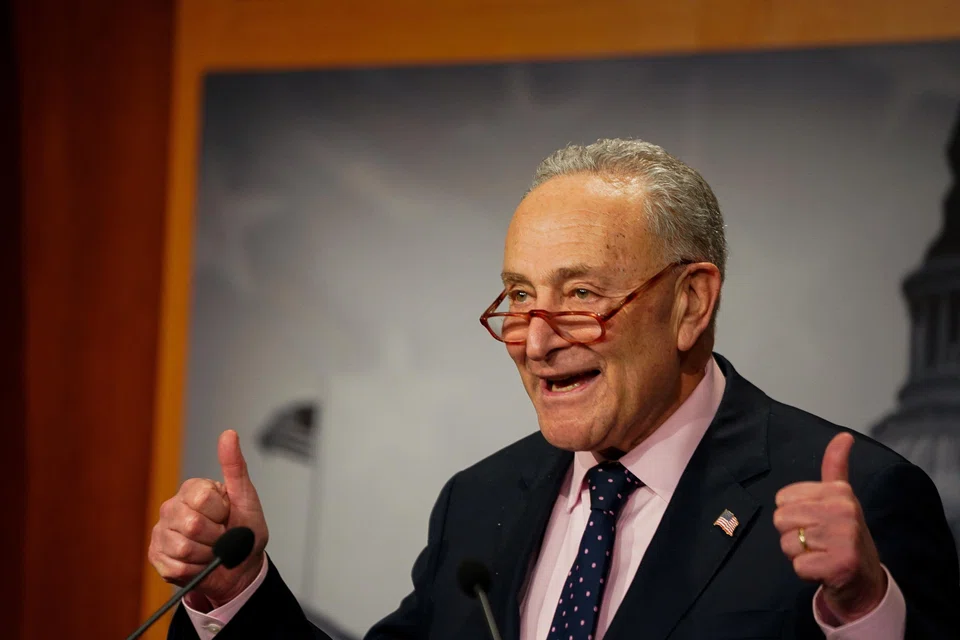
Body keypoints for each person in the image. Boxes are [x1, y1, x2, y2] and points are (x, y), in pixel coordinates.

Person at [150, 139, 960, 639]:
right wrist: (238, 594)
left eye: (580, 295)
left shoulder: (860, 498)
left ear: (691, 303)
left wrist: (863, 615)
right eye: (518, 296)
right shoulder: (480, 501)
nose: (536, 339)